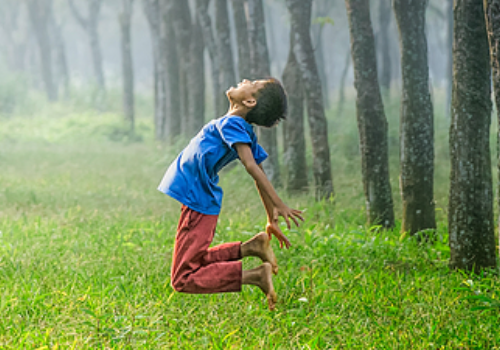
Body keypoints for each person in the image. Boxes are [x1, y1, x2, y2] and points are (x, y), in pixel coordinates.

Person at [158, 78, 304, 310]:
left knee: (182, 278)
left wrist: (278, 204)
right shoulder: (238, 127)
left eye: (253, 83)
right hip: (198, 199)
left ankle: (255, 276)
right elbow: (259, 170)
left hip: (198, 200)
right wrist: (270, 218)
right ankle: (251, 248)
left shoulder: (234, 124)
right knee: (194, 261)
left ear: (249, 100)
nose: (245, 80)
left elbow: (252, 166)